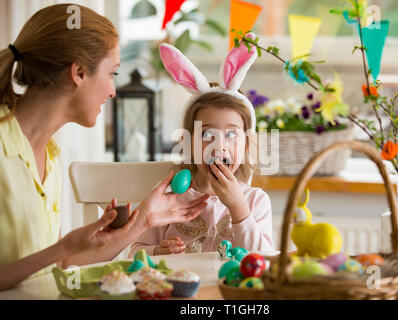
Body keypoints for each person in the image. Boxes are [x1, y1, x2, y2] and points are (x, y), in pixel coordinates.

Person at [0, 4, 209, 291]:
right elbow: (56, 257)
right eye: (112, 73)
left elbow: (57, 266)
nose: (113, 91)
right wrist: (60, 249)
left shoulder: (50, 153)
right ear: (79, 72)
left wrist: (142, 221)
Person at [130, 37, 273, 256]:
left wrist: (239, 209)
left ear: (246, 145)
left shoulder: (255, 201)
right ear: (188, 142)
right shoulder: (167, 198)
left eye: (231, 134)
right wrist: (157, 251)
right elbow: (135, 253)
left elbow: (265, 261)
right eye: (207, 133)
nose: (219, 146)